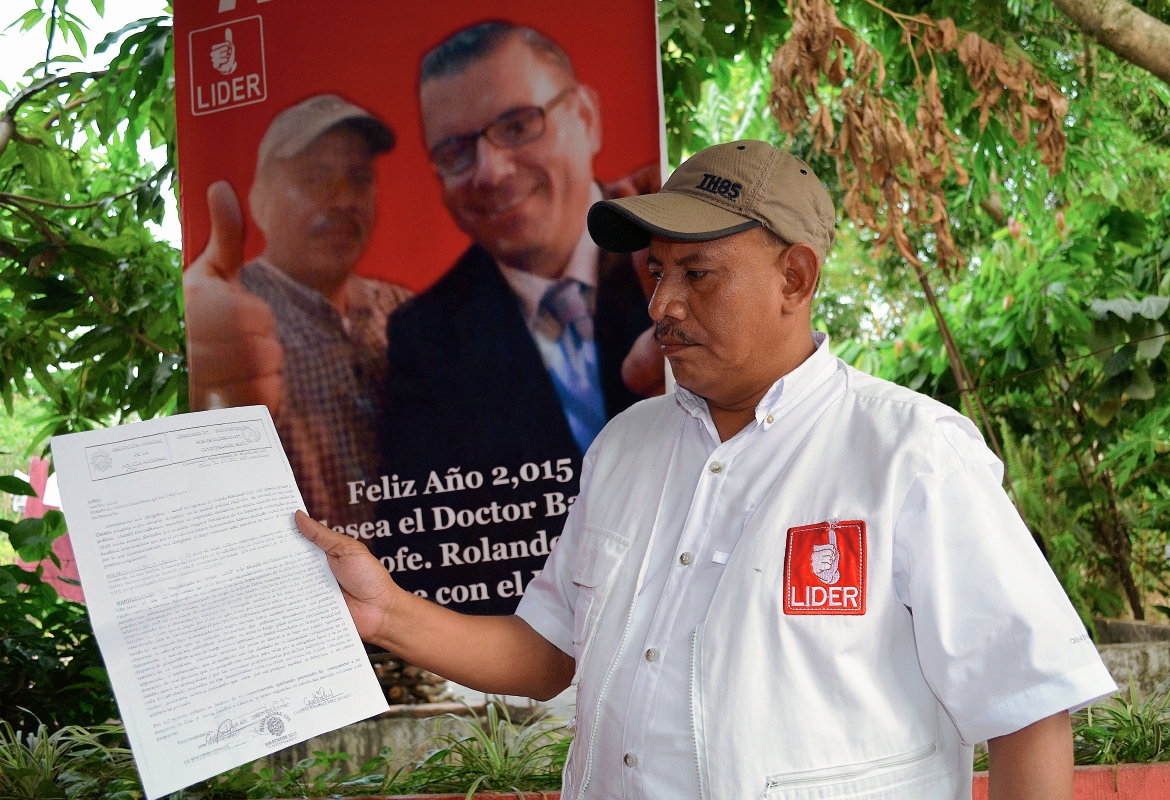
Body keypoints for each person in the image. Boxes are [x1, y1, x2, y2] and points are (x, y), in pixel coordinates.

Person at [298, 140, 1117, 799]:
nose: (661, 306)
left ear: (795, 277)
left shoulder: (912, 453)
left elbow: (1029, 707)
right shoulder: (625, 448)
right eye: (656, 272)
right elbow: (548, 651)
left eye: (698, 274)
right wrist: (388, 612)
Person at [375, 22, 660, 612]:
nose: (491, 171)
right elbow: (424, 556)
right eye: (455, 152)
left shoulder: (680, 256)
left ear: (586, 116)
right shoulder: (423, 338)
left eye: (517, 125)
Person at [184, 95, 411, 528]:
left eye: (359, 178)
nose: (343, 199)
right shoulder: (235, 318)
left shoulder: (403, 310)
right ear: (260, 201)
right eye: (314, 177)